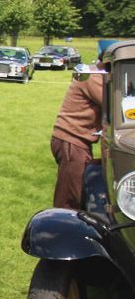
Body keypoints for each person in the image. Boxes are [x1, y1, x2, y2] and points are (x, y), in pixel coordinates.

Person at [50, 62, 105, 210]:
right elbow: (112, 102)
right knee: (71, 197)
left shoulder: (95, 75)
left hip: (76, 140)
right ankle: (62, 228)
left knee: (76, 191)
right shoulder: (92, 78)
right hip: (71, 139)